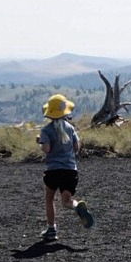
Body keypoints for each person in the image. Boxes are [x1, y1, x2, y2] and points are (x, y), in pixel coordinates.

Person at [37, 93, 94, 241]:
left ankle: (51, 230)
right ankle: (77, 207)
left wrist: (41, 142)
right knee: (67, 200)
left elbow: (46, 149)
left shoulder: (46, 130)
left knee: (49, 199)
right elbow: (76, 147)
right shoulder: (70, 128)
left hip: (53, 171)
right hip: (70, 170)